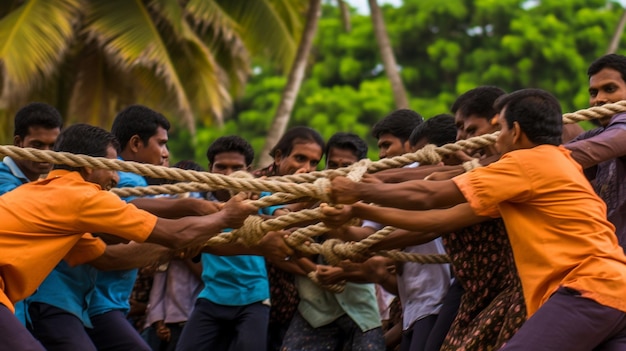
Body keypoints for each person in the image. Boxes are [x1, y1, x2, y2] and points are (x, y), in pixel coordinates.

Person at [324, 89, 626, 350]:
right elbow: (439, 220)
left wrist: (357, 190)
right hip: (613, 294)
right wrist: (361, 210)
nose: (498, 138)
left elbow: (429, 195)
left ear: (516, 132)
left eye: (501, 128)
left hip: (586, 291)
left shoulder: (524, 163)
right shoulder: (556, 164)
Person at [0, 123, 263, 351]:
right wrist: (224, 218)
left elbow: (106, 257)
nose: (115, 177)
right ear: (89, 167)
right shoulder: (84, 196)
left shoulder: (49, 197)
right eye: (112, 167)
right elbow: (173, 234)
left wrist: (187, 234)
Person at [280, 132, 385, 351]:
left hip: (360, 309)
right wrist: (312, 269)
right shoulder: (312, 199)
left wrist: (341, 273)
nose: (338, 172)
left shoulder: (370, 206)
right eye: (333, 165)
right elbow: (288, 241)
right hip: (314, 310)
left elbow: (378, 265)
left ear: (358, 168)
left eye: (345, 166)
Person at [177, 136, 271, 351]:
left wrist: (258, 214)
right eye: (221, 167)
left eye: (236, 167)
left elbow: (285, 217)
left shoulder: (261, 196)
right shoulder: (197, 202)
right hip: (213, 295)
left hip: (253, 296)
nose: (228, 175)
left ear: (249, 169)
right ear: (210, 168)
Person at [253, 126, 325, 351]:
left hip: (290, 303)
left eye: (314, 163)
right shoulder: (255, 186)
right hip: (249, 300)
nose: (306, 168)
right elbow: (269, 232)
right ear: (278, 156)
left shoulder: (315, 192)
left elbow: (307, 245)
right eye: (300, 158)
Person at [0, 102, 63, 325]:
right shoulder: (4, 182)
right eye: (37, 145)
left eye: (52, 146)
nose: (45, 154)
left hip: (22, 305)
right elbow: (29, 209)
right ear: (18, 143)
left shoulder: (41, 185)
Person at [565, 53, 626, 250]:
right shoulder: (600, 135)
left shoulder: (616, 133)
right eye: (593, 93)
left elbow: (556, 158)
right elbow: (561, 155)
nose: (599, 100)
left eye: (609, 89)